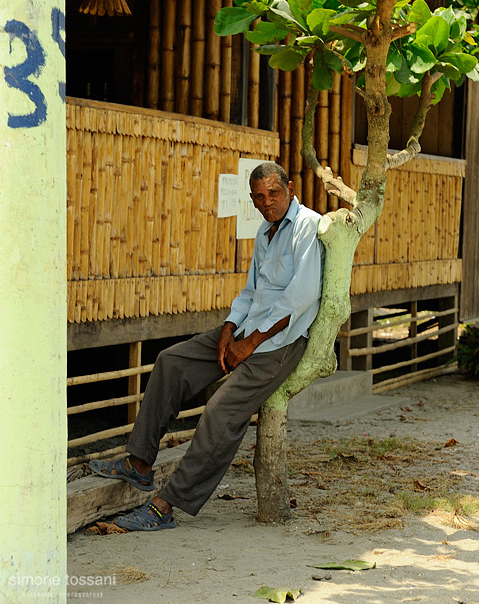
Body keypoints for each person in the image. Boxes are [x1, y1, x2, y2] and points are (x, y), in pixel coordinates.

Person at [89, 162, 325, 531]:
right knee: (171, 361)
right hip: (248, 330)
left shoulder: (307, 226)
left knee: (219, 411)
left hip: (280, 343)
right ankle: (140, 465)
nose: (267, 203)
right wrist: (230, 330)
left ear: (290, 189)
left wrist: (250, 343)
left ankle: (165, 507)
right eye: (259, 197)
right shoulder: (266, 232)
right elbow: (251, 292)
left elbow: (301, 298)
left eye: (274, 194)